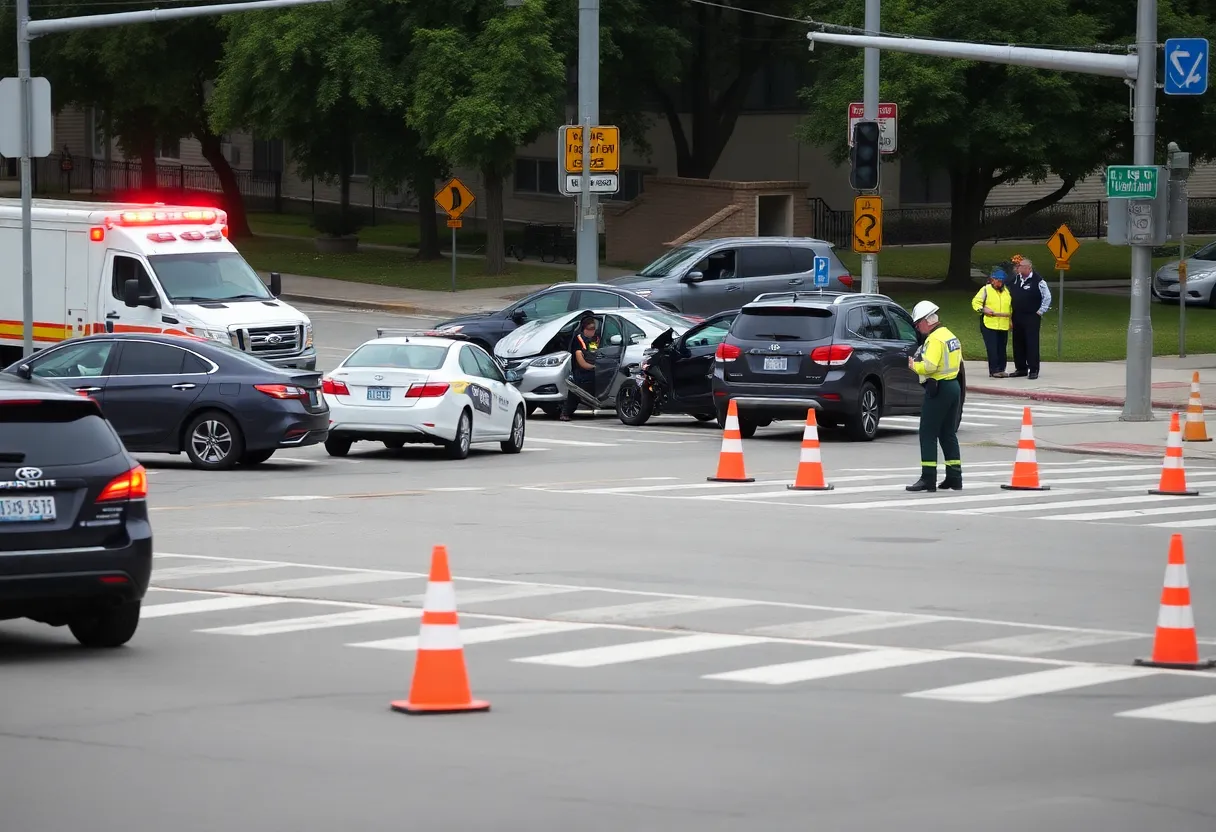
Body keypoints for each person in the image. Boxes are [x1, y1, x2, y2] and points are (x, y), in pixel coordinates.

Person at [906, 300, 963, 493]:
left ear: (927, 320)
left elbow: (929, 365)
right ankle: (954, 476)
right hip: (953, 386)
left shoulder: (934, 340)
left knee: (927, 433)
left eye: (918, 323)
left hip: (938, 387)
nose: (917, 327)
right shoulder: (950, 336)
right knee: (947, 433)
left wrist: (914, 365)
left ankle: (928, 478)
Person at [1009, 255, 1052, 379]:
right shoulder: (1016, 279)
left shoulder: (1038, 281)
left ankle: (1033, 369)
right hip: (1017, 315)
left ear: (1028, 268)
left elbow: (1047, 297)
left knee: (1031, 343)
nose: (1018, 268)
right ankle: (1021, 368)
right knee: (1018, 342)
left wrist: (1040, 311)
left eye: (1020, 267)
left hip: (1031, 316)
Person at [971, 264, 1013, 378]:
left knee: (1002, 348)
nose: (997, 283)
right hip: (989, 324)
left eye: (1000, 281)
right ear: (992, 280)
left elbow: (1010, 307)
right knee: (992, 348)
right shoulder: (985, 289)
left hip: (1003, 324)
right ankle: (994, 370)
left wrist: (1010, 320)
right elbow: (976, 302)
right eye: (996, 280)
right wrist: (983, 309)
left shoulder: (1006, 292)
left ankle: (1001, 369)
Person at [560, 315, 599, 421]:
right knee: (576, 390)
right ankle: (566, 412)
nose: (592, 331)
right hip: (580, 370)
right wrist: (593, 366)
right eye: (590, 329)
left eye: (594, 329)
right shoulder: (578, 340)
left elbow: (593, 352)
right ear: (583, 329)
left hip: (592, 367)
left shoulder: (594, 339)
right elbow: (581, 362)